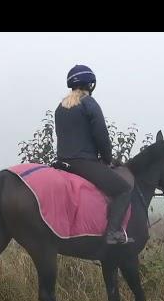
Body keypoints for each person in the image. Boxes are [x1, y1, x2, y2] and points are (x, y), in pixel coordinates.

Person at [54, 64, 133, 245]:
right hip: (84, 164)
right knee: (123, 190)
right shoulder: (89, 104)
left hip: (62, 162)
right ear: (90, 84)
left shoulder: (61, 107)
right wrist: (107, 159)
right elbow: (101, 136)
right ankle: (112, 233)